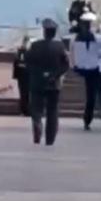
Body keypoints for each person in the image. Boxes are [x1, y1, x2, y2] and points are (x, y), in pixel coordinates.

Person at [25, 18, 70, 146]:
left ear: (44, 32)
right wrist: (54, 75)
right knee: (52, 111)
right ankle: (50, 138)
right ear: (54, 33)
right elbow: (66, 65)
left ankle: (37, 125)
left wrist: (37, 74)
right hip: (53, 84)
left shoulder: (35, 46)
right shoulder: (60, 46)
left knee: (36, 109)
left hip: (37, 82)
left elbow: (27, 61)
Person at [70, 12, 100, 130]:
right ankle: (87, 119)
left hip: (80, 67)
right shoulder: (97, 38)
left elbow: (71, 54)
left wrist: (73, 66)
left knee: (90, 95)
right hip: (93, 68)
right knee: (91, 95)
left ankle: (87, 119)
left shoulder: (75, 38)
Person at [12, 35, 31, 116]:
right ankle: (25, 110)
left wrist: (15, 75)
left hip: (25, 75)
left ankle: (25, 110)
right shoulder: (22, 52)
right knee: (24, 94)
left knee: (25, 94)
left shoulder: (21, 53)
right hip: (24, 75)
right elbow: (16, 63)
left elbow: (16, 64)